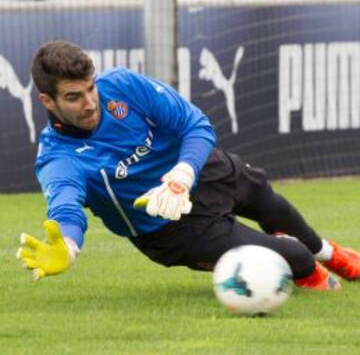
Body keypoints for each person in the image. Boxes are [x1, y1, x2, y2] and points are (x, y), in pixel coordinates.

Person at [17, 40, 360, 290]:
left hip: (199, 170)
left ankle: (331, 254)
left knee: (266, 197)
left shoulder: (122, 85)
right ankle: (314, 274)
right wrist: (68, 246)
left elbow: (193, 124)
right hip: (171, 229)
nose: (91, 103)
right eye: (74, 97)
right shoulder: (57, 158)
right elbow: (65, 207)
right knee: (295, 257)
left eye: (90, 89)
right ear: (48, 101)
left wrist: (183, 173)